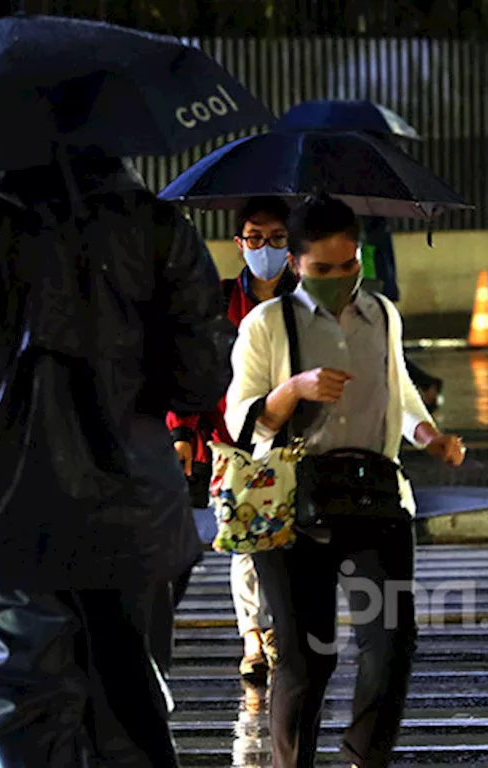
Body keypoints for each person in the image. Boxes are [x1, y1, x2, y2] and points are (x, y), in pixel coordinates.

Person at [0, 153, 236, 765]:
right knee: (127, 705)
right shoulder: (157, 226)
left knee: (23, 703)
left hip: (9, 505)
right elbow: (200, 376)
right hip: (136, 508)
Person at [225, 194, 466, 768]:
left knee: (390, 647)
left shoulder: (381, 313)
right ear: (296, 264)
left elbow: (399, 389)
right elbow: (240, 417)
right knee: (308, 660)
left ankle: (364, 757)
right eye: (322, 269)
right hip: (290, 506)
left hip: (375, 495)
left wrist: (430, 437)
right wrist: (294, 389)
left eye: (349, 265)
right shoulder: (266, 324)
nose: (339, 279)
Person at [167, 196, 297, 684]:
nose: (266, 247)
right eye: (256, 238)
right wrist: (182, 431)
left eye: (278, 238)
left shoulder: (306, 299)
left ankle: (280, 626)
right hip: (232, 436)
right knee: (247, 539)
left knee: (286, 538)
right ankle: (253, 637)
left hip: (292, 435)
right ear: (240, 243)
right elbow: (190, 368)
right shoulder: (218, 301)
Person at [360, 215, 444, 412]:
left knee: (380, 348)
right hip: (375, 287)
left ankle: (424, 384)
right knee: (381, 347)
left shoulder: (364, 222)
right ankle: (425, 383)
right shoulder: (373, 218)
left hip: (369, 289)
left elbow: (372, 258)